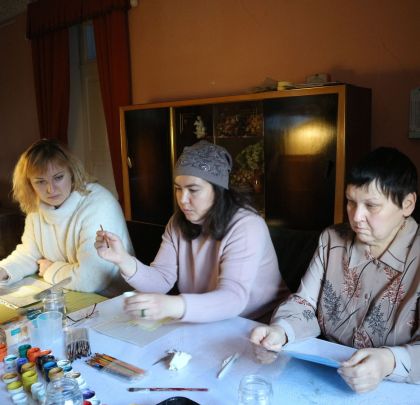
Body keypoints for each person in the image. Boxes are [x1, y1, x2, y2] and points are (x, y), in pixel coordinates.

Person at [250, 147, 420, 393]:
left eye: (371, 205)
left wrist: (388, 362)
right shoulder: (332, 240)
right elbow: (305, 303)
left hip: (396, 388)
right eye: (351, 202)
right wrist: (280, 332)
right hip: (325, 376)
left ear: (407, 204)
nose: (356, 217)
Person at [96, 140, 287, 323]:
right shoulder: (178, 222)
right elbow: (161, 280)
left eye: (193, 190)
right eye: (178, 189)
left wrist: (172, 305)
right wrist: (122, 259)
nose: (182, 199)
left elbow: (233, 298)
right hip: (207, 322)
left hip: (257, 326)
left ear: (218, 190)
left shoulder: (246, 225)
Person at [0, 139, 133, 294]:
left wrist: (50, 269)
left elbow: (90, 280)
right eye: (40, 182)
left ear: (72, 173)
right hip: (69, 294)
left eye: (58, 177)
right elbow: (29, 254)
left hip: (112, 299)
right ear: (29, 183)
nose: (51, 189)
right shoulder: (37, 207)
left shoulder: (99, 204)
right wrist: (4, 270)